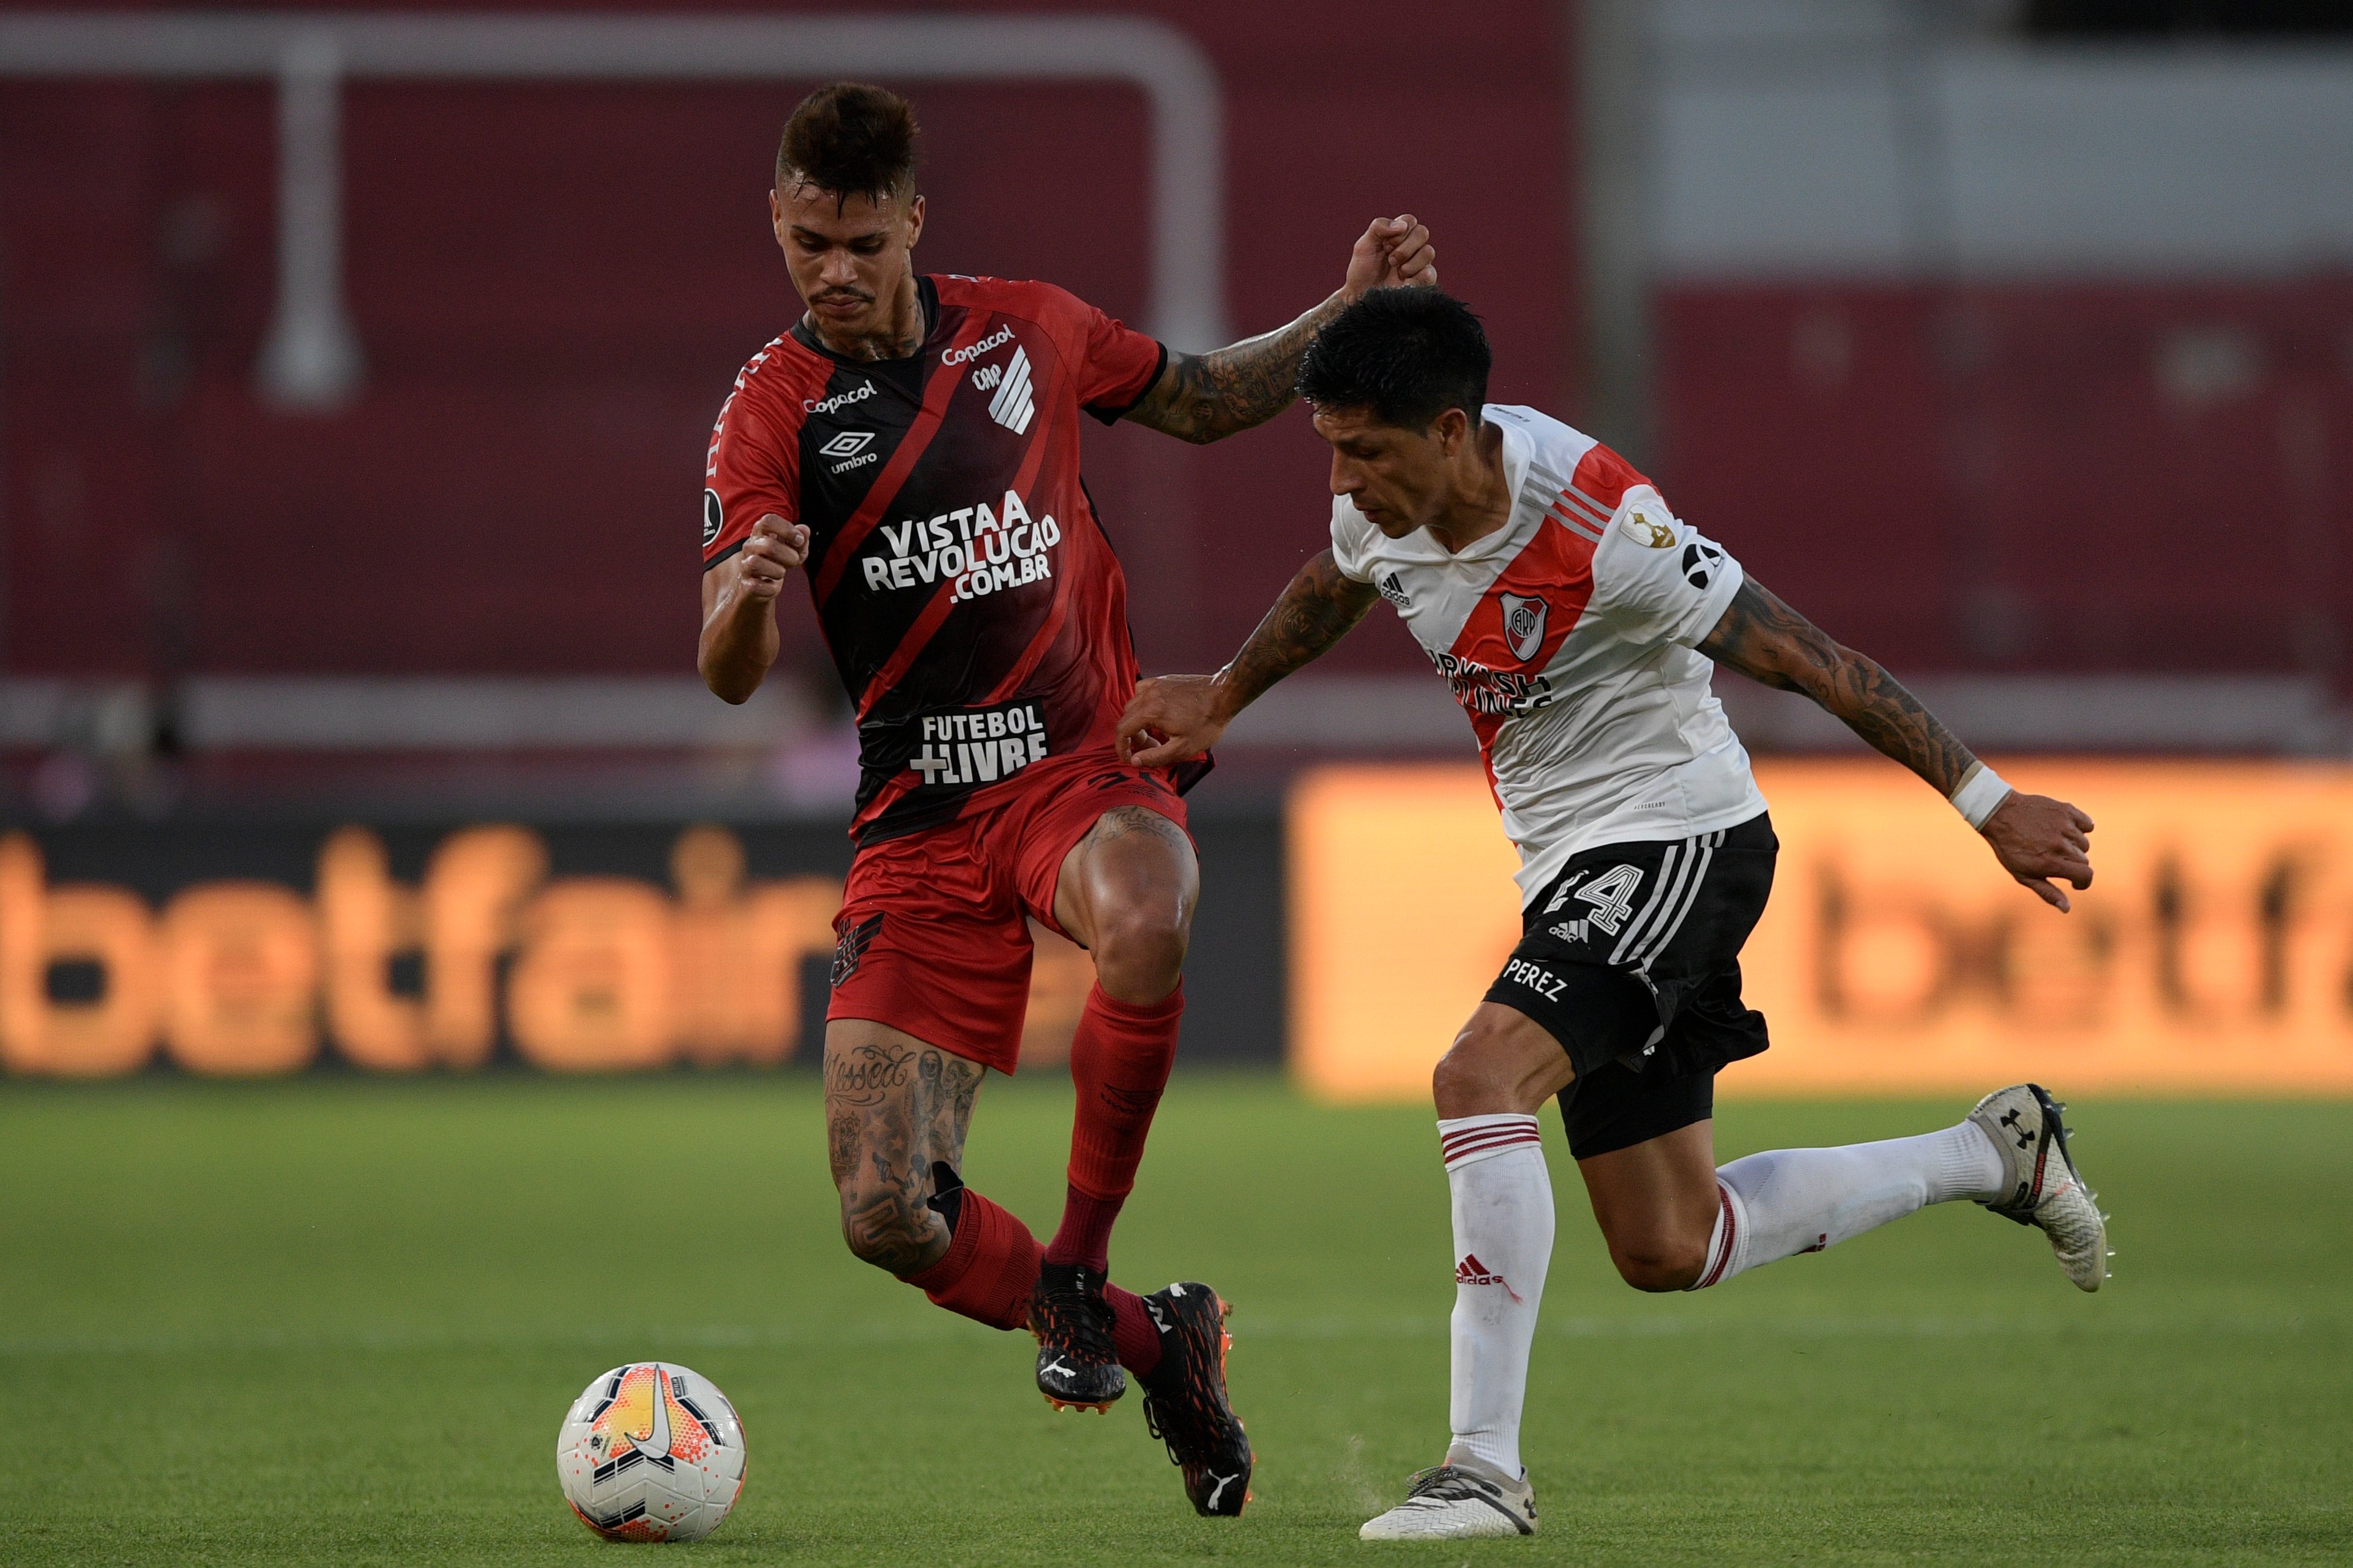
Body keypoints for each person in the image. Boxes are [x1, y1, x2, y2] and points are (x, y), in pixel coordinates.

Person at [1115, 288, 2108, 1539]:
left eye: (1364, 448)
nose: (1342, 475)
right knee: (1670, 1242)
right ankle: (1992, 1152)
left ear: (1452, 428)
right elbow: (1338, 578)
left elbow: (1805, 657)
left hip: (1682, 834)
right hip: (1571, 868)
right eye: (1329, 445)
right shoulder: (1379, 504)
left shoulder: (1603, 521)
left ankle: (1482, 1467)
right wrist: (1225, 693)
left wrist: (1988, 799)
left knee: (1479, 1075)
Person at [695, 82, 1435, 1517]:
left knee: (1148, 918)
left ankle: (1081, 1275)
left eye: (859, 240)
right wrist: (739, 600)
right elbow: (728, 675)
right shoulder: (770, 408)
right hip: (916, 811)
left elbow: (1212, 400)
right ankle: (1165, 1341)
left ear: (915, 220)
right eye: (806, 245)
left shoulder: (1029, 325)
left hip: (1076, 761)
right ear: (778, 225)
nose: (834, 273)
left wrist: (1341, 319)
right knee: (885, 1213)